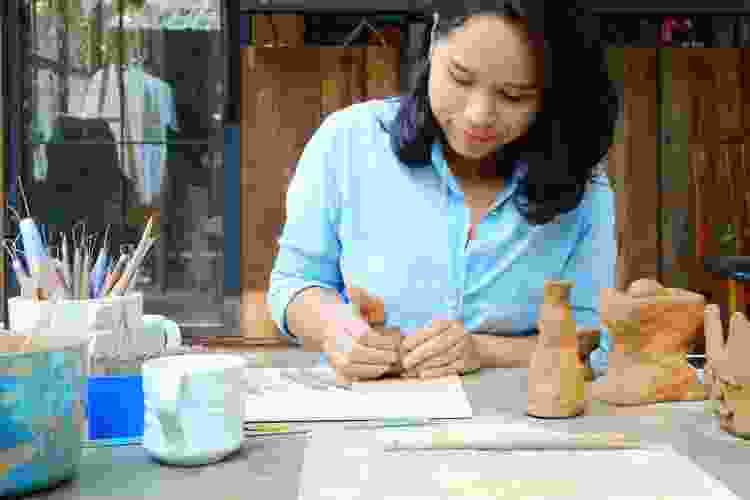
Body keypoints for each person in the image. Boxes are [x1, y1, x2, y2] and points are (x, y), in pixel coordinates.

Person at [268, 1, 620, 383]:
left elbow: (592, 345)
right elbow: (295, 283)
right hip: (364, 424)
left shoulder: (582, 189)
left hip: (520, 428)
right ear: (434, 41)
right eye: (460, 78)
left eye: (514, 96)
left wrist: (482, 350)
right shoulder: (348, 142)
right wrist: (335, 328)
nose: (478, 115)